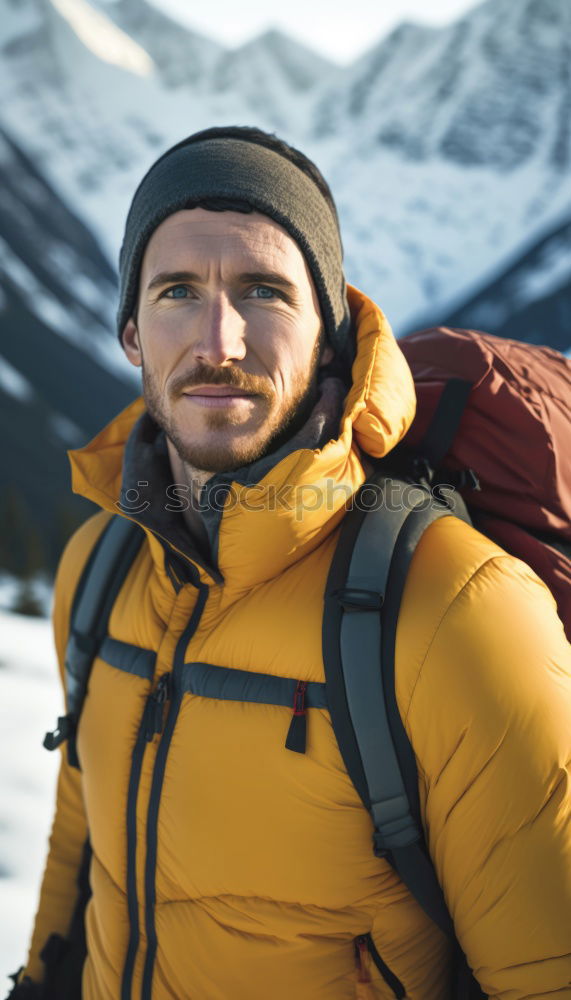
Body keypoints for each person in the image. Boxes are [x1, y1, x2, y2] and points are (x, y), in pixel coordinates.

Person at [10, 126, 571, 999]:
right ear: (130, 333)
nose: (219, 342)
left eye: (264, 291)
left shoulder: (453, 609)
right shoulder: (103, 566)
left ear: (328, 335)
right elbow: (82, 849)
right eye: (176, 292)